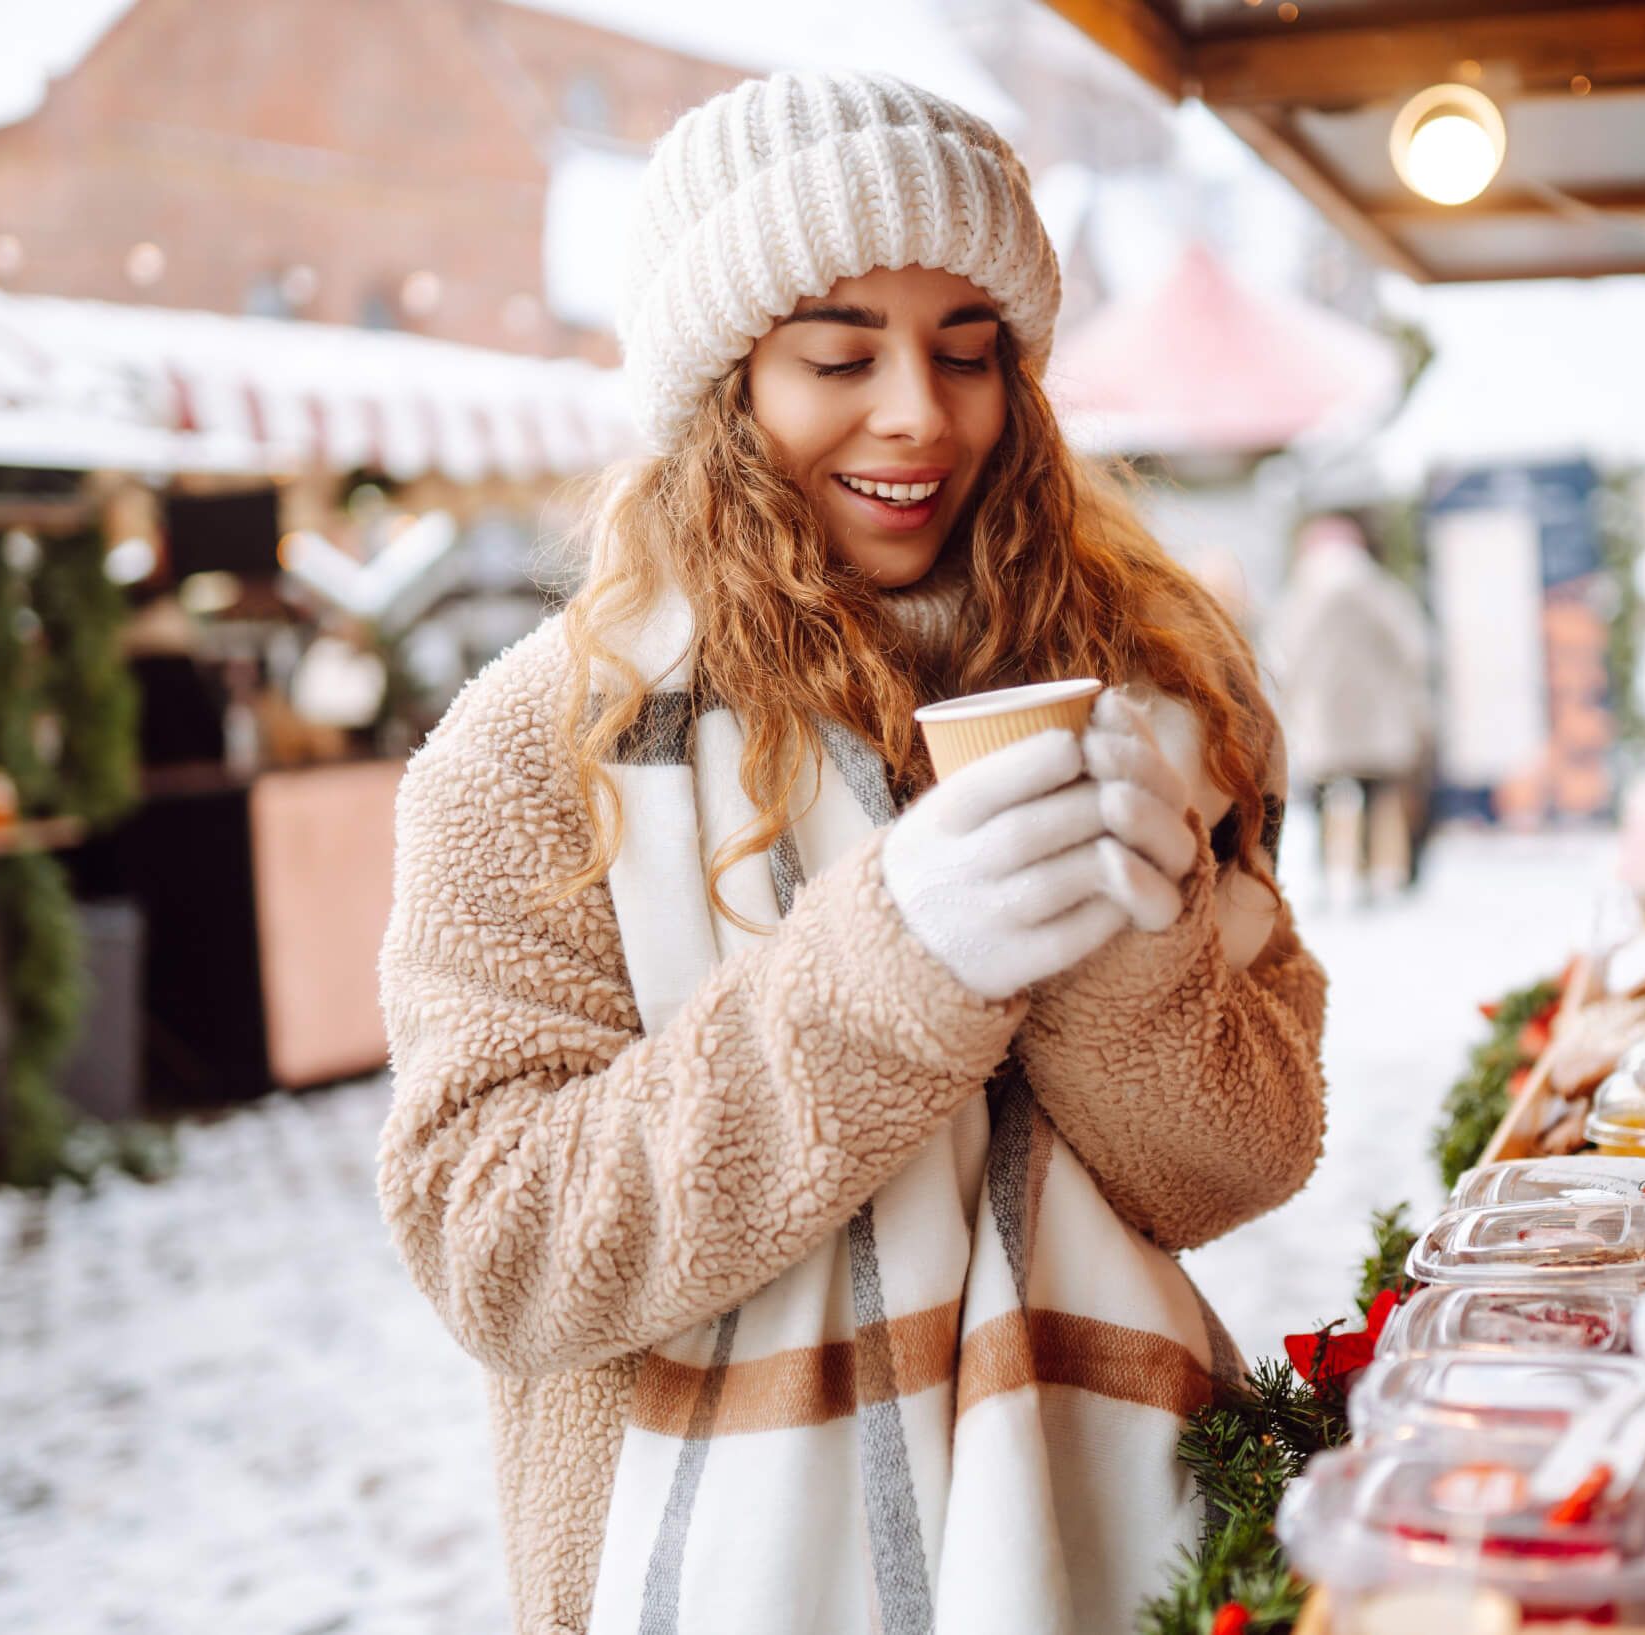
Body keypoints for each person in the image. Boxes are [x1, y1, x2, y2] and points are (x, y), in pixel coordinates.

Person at [377, 73, 1326, 1635]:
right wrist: (892, 969)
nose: (919, 413)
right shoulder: (542, 748)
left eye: (970, 350)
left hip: (1124, 1546)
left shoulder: (1153, 688)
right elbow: (506, 1253)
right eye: (839, 352)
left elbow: (1239, 1159)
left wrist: (1122, 941)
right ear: (719, 377)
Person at [1266, 512, 1434, 906]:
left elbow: (1281, 657)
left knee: (1328, 800)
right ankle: (1382, 874)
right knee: (1379, 796)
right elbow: (1413, 644)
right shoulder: (1378, 588)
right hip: (1378, 719)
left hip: (1324, 722)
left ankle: (1333, 875)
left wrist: (1297, 699)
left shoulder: (1299, 595)